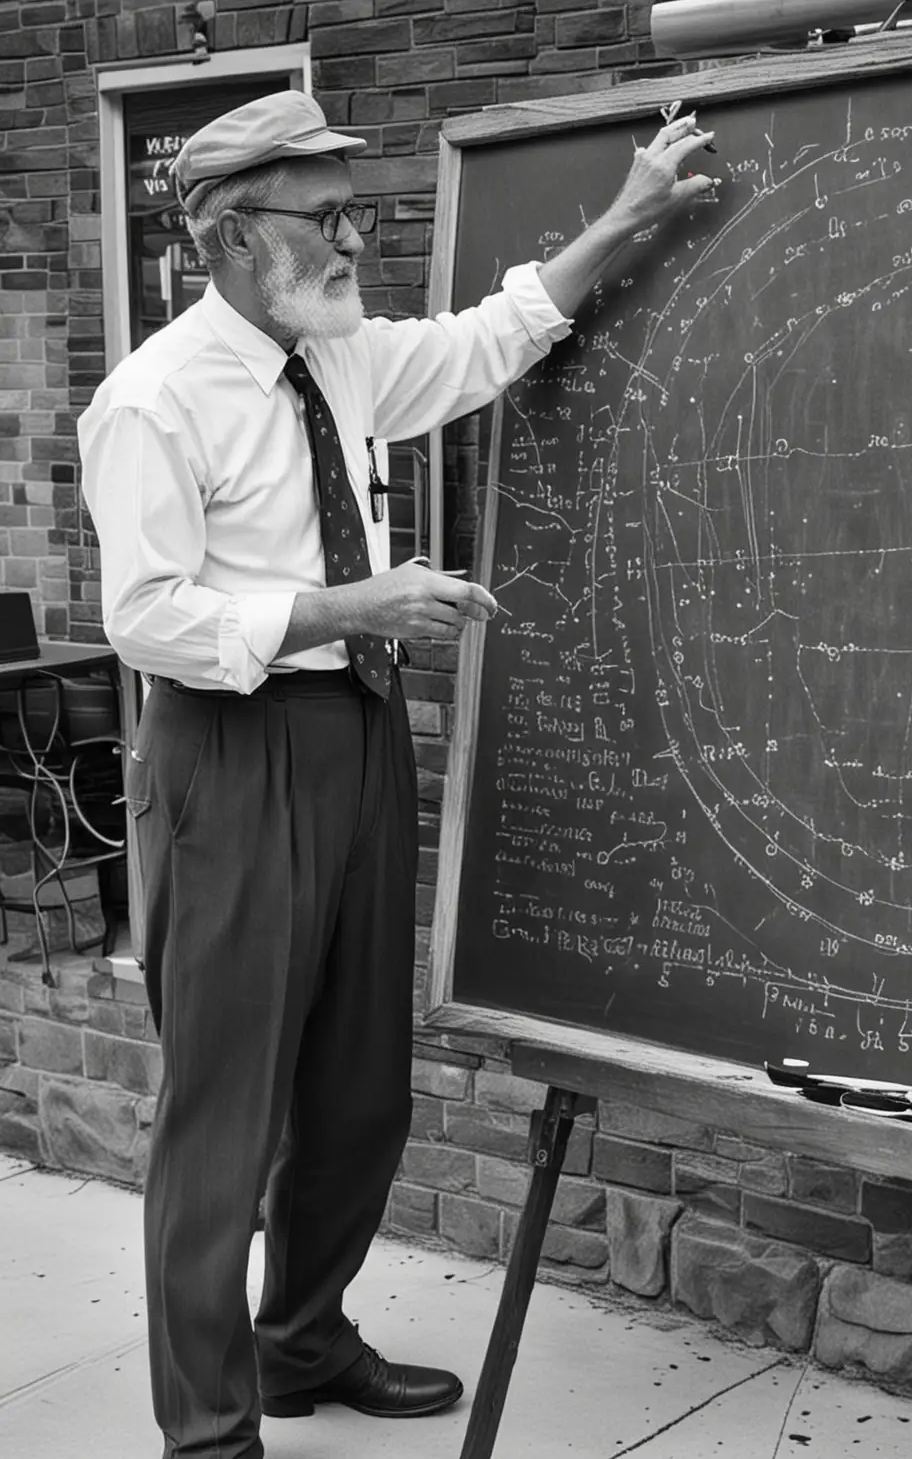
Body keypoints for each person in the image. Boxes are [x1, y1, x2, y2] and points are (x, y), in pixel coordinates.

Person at [77, 88, 716, 1459]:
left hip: (354, 742)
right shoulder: (151, 402)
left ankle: (302, 1343)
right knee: (223, 1121)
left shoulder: (341, 352)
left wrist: (621, 223)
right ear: (240, 239)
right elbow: (146, 619)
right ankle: (208, 1430)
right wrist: (351, 610)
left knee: (361, 1090)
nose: (356, 237)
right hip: (228, 759)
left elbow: (486, 342)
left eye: (354, 210)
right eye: (330, 217)